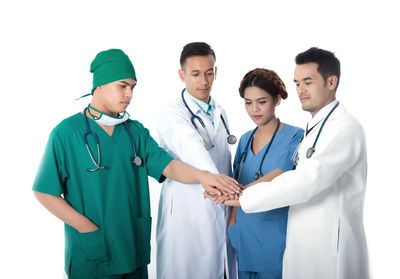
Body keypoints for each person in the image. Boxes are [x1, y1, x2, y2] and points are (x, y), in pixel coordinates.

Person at [32, 49, 239, 279]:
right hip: (92, 255)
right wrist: (86, 228)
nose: (129, 94)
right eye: (122, 86)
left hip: (133, 253)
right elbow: (44, 191)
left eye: (132, 87)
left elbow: (168, 166)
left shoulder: (135, 132)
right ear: (99, 85)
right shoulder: (67, 133)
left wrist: (203, 176)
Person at [215, 47, 370, 279]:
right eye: (297, 83)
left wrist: (245, 195)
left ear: (331, 82)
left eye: (307, 82)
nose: (300, 90)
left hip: (327, 249)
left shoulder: (344, 128)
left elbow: (307, 180)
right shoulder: (315, 129)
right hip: (295, 245)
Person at [156, 42, 238, 279]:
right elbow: (190, 146)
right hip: (187, 209)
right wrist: (220, 183)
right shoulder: (172, 112)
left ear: (216, 72)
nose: (204, 80)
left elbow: (224, 156)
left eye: (209, 73)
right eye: (195, 74)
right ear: (182, 75)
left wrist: (223, 189)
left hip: (220, 203)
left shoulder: (220, 110)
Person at [227, 68, 303, 279]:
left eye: (262, 101)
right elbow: (236, 179)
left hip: (273, 240)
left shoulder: (295, 136)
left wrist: (238, 195)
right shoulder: (244, 139)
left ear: (277, 99)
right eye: (248, 102)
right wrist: (232, 225)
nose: (254, 109)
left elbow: (281, 175)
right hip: (243, 238)